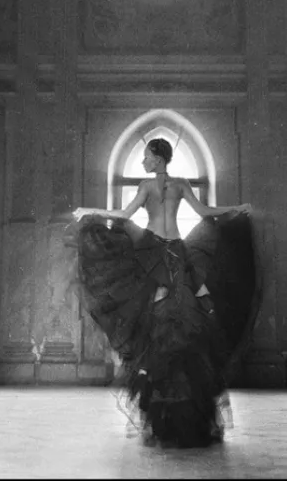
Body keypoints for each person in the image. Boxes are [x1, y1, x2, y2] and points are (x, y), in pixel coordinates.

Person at [70, 137, 254, 448]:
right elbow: (204, 211)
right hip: (170, 253)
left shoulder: (153, 186)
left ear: (157, 157)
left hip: (159, 253)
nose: (144, 161)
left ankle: (171, 419)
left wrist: (90, 211)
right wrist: (235, 208)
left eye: (146, 156)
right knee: (175, 326)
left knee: (165, 329)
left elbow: (126, 214)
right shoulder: (177, 184)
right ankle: (171, 418)